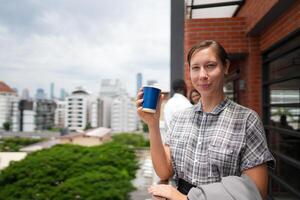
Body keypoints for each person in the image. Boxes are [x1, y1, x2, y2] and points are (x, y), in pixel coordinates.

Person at [136, 40, 274, 200]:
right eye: (195, 68)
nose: (202, 75)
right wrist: (152, 124)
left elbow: (256, 190)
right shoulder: (179, 118)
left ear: (226, 66)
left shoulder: (247, 120)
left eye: (210, 66)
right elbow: (164, 171)